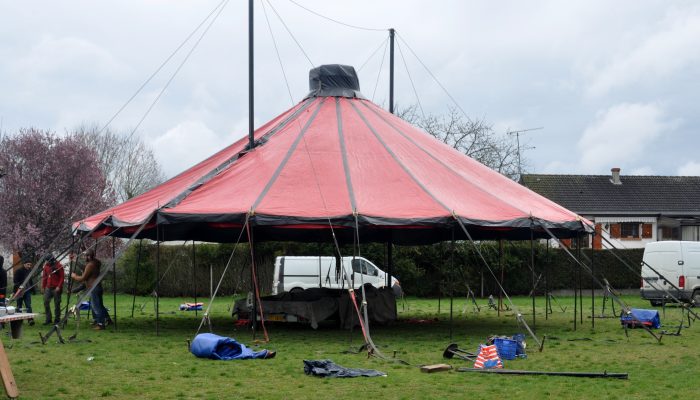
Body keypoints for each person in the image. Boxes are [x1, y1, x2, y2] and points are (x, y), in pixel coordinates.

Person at [71, 251, 108, 330]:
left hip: (93, 287)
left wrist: (75, 276)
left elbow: (83, 278)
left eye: (85, 256)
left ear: (89, 257)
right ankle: (106, 320)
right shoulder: (95, 262)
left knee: (96, 306)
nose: (84, 258)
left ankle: (101, 324)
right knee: (99, 305)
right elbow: (85, 267)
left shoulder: (90, 265)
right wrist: (75, 261)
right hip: (97, 286)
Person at [41, 255, 64, 325]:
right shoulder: (46, 266)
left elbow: (62, 277)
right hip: (48, 287)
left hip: (56, 287)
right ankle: (48, 319)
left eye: (47, 261)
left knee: (57, 304)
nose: (46, 262)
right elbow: (44, 277)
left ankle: (57, 320)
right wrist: (43, 287)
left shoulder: (59, 265)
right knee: (46, 302)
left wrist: (59, 286)